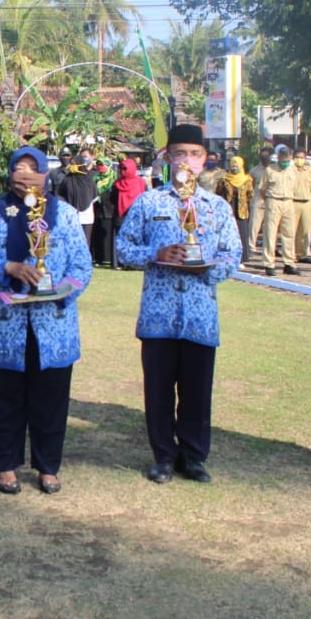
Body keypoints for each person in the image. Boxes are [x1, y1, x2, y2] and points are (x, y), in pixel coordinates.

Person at [116, 123, 242, 484]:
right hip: (158, 313)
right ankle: (163, 456)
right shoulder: (149, 202)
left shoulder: (217, 207)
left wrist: (208, 268)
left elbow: (234, 254)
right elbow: (124, 248)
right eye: (180, 153)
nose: (187, 160)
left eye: (195, 154)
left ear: (205, 161)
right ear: (168, 158)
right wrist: (156, 254)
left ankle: (194, 456)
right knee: (158, 390)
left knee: (197, 391)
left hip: (200, 314)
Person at [0, 146, 92, 495]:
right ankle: (6, 465)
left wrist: (61, 290)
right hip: (6, 321)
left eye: (32, 168)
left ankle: (48, 466)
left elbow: (82, 267)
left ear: (45, 174)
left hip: (53, 324)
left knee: (51, 399)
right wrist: (7, 267)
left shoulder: (65, 214)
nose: (25, 174)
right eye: (18, 168)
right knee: (7, 398)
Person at [260, 145, 301, 276]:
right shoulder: (270, 170)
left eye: (287, 160)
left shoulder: (293, 170)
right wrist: (269, 201)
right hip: (273, 200)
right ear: (278, 158)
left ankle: (289, 263)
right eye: (283, 160)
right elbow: (262, 189)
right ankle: (269, 264)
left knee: (289, 233)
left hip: (289, 201)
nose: (285, 163)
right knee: (270, 234)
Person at [215, 156, 255, 264]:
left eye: (236, 165)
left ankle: (242, 259)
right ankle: (228, 258)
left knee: (242, 234)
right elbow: (218, 193)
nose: (234, 167)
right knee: (229, 234)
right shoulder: (224, 179)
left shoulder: (247, 180)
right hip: (228, 211)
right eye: (232, 165)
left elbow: (250, 194)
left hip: (241, 212)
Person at [55, 148, 97, 245]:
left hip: (86, 218)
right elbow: (61, 196)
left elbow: (94, 197)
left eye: (74, 164)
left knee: (84, 243)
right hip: (70, 218)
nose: (72, 166)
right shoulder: (67, 180)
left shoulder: (89, 180)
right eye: (71, 164)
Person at [111, 159, 147, 269]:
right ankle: (120, 263)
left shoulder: (140, 182)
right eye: (121, 168)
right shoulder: (117, 184)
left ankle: (135, 264)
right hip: (121, 215)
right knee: (121, 240)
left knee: (136, 239)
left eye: (125, 168)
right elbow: (112, 198)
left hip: (137, 216)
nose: (122, 171)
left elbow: (145, 197)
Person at [247, 146, 275, 259]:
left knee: (270, 227)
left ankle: (268, 249)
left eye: (267, 155)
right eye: (263, 155)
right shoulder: (254, 170)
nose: (265, 158)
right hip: (258, 200)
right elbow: (250, 186)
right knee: (254, 225)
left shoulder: (275, 169)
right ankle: (251, 247)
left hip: (272, 200)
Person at [91, 156, 118, 265]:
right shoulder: (95, 178)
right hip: (97, 210)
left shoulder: (115, 178)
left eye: (102, 165)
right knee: (97, 235)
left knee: (109, 235)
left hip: (111, 210)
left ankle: (109, 258)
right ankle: (98, 258)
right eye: (98, 165)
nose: (100, 167)